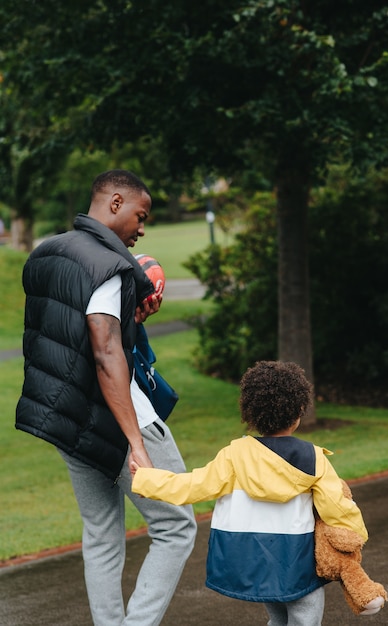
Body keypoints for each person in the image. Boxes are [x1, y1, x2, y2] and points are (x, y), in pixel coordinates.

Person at [16, 169, 196, 626]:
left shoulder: (50, 252)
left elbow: (64, 332)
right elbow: (105, 349)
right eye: (141, 215)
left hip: (66, 417)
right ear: (115, 203)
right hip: (119, 418)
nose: (142, 228)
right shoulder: (108, 265)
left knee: (100, 534)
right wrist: (136, 441)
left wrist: (131, 316)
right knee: (175, 526)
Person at [132, 360, 370, 626]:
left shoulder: (235, 455)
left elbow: (191, 486)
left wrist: (146, 480)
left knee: (278, 616)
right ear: (298, 413)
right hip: (296, 560)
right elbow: (336, 507)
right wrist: (356, 534)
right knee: (305, 618)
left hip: (256, 559)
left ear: (251, 414)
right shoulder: (312, 458)